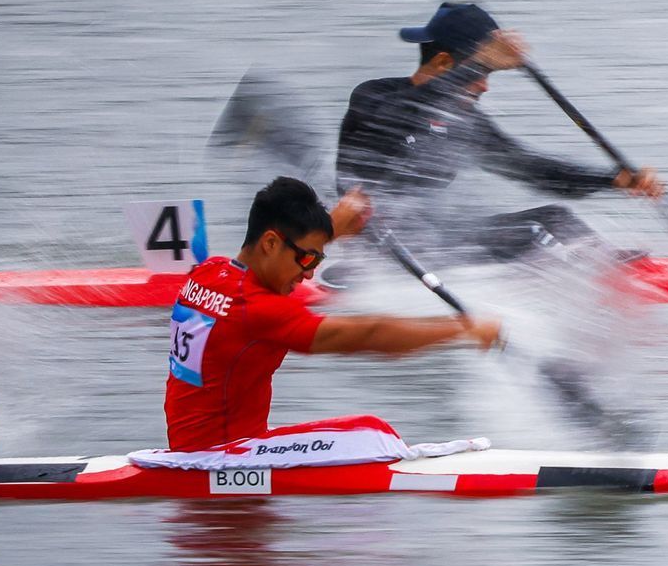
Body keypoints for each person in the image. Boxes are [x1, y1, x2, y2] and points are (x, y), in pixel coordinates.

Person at [163, 176, 503, 451]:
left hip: (196, 448)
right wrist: (463, 330)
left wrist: (332, 227)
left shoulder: (209, 271)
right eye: (309, 259)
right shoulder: (260, 310)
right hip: (222, 456)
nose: (310, 273)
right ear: (269, 243)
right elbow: (371, 335)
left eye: (317, 259)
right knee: (372, 435)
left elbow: (273, 275)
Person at [335, 2, 663, 261]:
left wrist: (612, 180)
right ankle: (594, 271)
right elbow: (402, 115)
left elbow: (532, 170)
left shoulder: (465, 122)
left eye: (487, 74)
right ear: (442, 64)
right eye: (480, 74)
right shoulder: (375, 97)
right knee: (535, 231)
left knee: (555, 218)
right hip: (379, 245)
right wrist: (479, 63)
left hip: (434, 238)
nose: (484, 86)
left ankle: (606, 267)